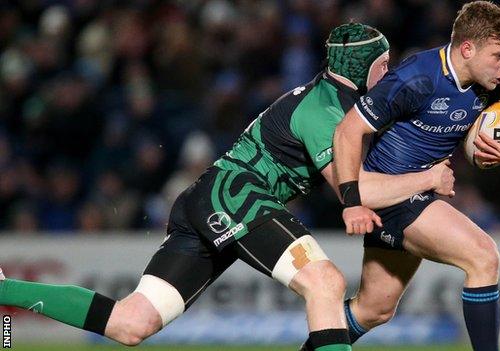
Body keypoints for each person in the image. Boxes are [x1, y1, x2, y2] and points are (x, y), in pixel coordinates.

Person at [0, 23, 454, 350]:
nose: (388, 75)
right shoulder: (326, 113)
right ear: (365, 69)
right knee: (326, 283)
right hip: (237, 196)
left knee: (130, 324)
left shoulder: (334, 101)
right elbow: (355, 192)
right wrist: (430, 179)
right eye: (384, 66)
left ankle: (4, 292)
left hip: (215, 197)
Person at [330, 2, 500, 351]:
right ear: (467, 48)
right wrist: (353, 199)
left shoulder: (495, 78)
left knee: (373, 310)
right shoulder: (417, 77)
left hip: (422, 193)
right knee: (483, 256)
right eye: (499, 55)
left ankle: (313, 344)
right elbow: (348, 131)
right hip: (394, 193)